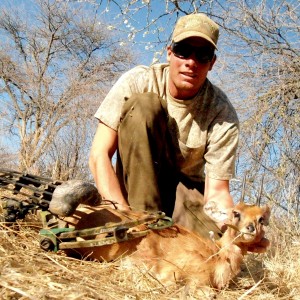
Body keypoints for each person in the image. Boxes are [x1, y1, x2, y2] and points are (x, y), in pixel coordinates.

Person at [89, 13, 239, 237]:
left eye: (203, 55)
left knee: (215, 249)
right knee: (143, 105)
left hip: (183, 192)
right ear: (169, 52)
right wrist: (120, 212)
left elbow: (217, 192)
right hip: (132, 186)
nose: (191, 62)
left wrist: (232, 228)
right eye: (183, 50)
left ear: (212, 63)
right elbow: (99, 154)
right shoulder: (138, 81)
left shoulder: (222, 113)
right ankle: (142, 228)